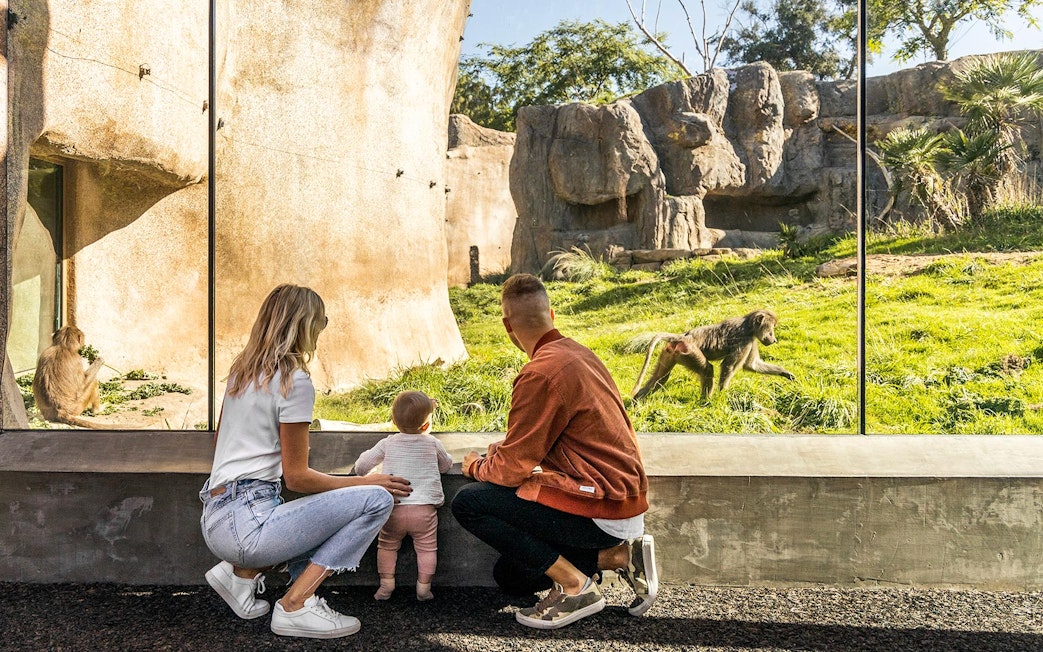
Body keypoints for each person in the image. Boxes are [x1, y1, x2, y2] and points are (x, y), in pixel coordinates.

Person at [198, 284, 412, 639]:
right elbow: (297, 478)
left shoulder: (242, 372)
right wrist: (366, 482)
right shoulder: (294, 381)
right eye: (322, 322)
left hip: (216, 516)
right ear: (307, 326)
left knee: (328, 511)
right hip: (247, 526)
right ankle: (295, 604)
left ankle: (240, 576)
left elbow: (223, 445)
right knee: (377, 501)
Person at [451, 273, 658, 630]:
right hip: (621, 501)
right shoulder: (578, 353)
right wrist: (507, 450)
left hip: (601, 508)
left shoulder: (540, 373)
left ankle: (578, 587)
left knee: (469, 502)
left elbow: (510, 470)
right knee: (513, 577)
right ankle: (619, 556)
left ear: (506, 326)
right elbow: (560, 436)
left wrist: (475, 467)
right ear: (552, 313)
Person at [353, 390, 453, 601]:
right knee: (427, 549)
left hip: (393, 509)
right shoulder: (433, 443)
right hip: (424, 511)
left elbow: (361, 467)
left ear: (393, 421)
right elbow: (446, 466)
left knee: (387, 546)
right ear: (426, 426)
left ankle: (386, 585)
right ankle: (424, 588)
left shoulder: (388, 443)